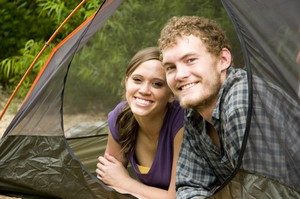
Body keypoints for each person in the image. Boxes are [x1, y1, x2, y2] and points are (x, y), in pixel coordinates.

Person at [158, 16, 300, 198]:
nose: (180, 75)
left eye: (190, 60)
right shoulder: (193, 116)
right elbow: (189, 186)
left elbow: (267, 193)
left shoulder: (241, 101)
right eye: (170, 68)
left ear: (223, 60)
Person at [95, 47, 184, 199]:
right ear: (126, 81)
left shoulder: (181, 122)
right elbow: (107, 179)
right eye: (137, 80)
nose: (144, 90)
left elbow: (177, 197)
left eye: (157, 84)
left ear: (171, 94)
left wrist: (126, 182)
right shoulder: (121, 117)